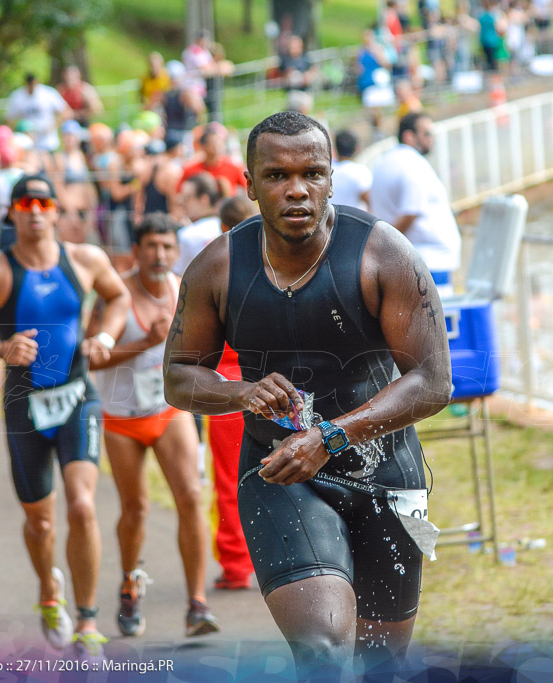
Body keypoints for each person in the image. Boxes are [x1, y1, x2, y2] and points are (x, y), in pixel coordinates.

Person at [164, 111, 452, 678]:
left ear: (331, 179)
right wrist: (242, 392)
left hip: (386, 475)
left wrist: (332, 434)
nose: (296, 189)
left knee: (382, 663)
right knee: (321, 651)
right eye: (276, 175)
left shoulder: (383, 254)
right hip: (281, 476)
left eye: (312, 173)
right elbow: (177, 376)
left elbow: (433, 381)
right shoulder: (217, 268)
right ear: (248, 183)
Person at [0, 174, 130, 659]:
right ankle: (50, 592)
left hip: (76, 396)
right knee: (41, 524)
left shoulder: (85, 258)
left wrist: (105, 337)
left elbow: (118, 298)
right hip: (25, 407)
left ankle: (88, 620)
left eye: (43, 201)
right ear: (12, 213)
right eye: (25, 203)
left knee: (83, 506)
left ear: (55, 208)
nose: (35, 210)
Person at [88, 214, 221, 638]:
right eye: (152, 247)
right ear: (137, 251)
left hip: (169, 413)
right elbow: (92, 357)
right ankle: (130, 583)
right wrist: (146, 342)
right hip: (121, 417)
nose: (160, 255)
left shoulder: (183, 288)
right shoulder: (117, 293)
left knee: (190, 498)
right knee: (136, 509)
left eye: (167, 247)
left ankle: (197, 604)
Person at [206, 194, 258, 592]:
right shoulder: (276, 266)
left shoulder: (215, 269)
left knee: (229, 480)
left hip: (225, 387)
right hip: (268, 384)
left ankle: (237, 564)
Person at [370, 112, 462, 296]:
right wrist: (385, 245)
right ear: (409, 136)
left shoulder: (385, 161)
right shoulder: (412, 164)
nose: (431, 139)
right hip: (429, 262)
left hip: (414, 261)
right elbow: (410, 212)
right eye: (427, 134)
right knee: (436, 322)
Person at [173, 173, 222, 277]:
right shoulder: (227, 226)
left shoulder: (186, 235)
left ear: (204, 199)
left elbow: (176, 273)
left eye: (186, 198)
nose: (182, 203)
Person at [7, 74, 69, 152]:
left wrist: (52, 126)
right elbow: (9, 119)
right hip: (28, 143)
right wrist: (21, 128)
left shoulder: (48, 93)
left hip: (48, 141)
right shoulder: (17, 96)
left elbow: (66, 112)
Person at [181, 125, 246, 196]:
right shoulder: (191, 170)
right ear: (203, 147)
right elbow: (179, 193)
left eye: (219, 142)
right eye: (212, 143)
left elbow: (248, 189)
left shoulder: (235, 166)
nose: (217, 146)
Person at [330, 130, 371, 211]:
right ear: (357, 148)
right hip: (352, 221)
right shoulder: (359, 171)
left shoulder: (327, 169)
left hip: (328, 220)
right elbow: (369, 200)